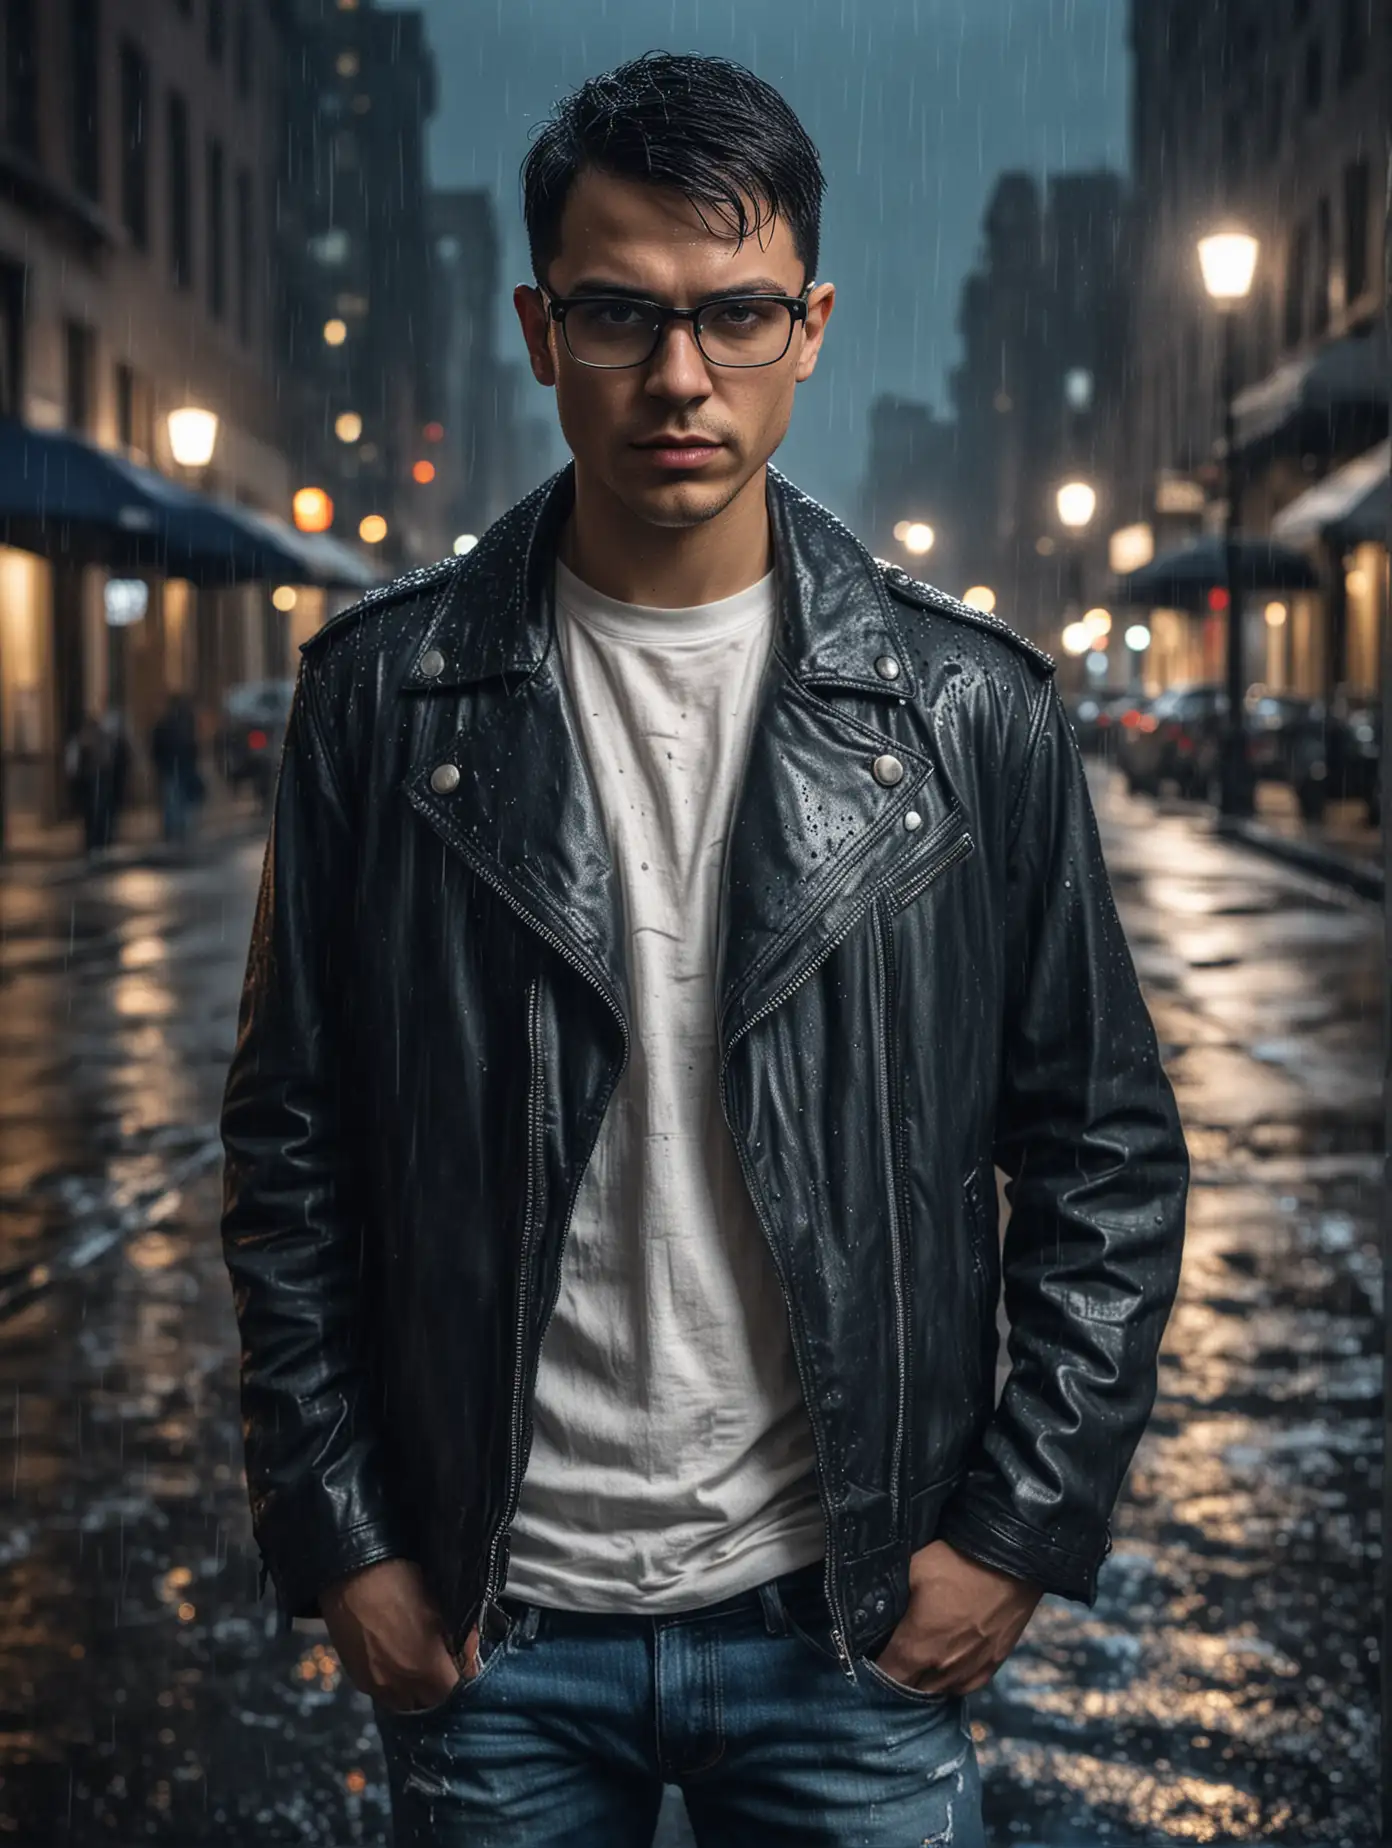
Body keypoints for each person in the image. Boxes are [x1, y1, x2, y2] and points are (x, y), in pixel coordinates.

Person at [221, 51, 1188, 1848]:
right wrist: (337, 1528)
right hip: (492, 1622)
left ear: (810, 325)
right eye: (621, 315)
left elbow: (1101, 1151)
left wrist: (1011, 1532)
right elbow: (292, 1149)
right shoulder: (381, 702)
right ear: (537, 326)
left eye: (735, 315)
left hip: (846, 1625)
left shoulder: (967, 713)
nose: (680, 377)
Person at [64, 711, 119, 855]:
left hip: (89, 781)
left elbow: (72, 764)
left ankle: (93, 842)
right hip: (98, 780)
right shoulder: (100, 739)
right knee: (99, 812)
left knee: (91, 813)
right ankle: (99, 841)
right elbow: (109, 758)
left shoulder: (81, 740)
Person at [150, 694, 202, 844]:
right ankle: (176, 831)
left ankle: (175, 832)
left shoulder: (172, 724)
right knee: (176, 800)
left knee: (174, 800)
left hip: (174, 767)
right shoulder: (180, 725)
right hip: (176, 767)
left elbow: (157, 748)